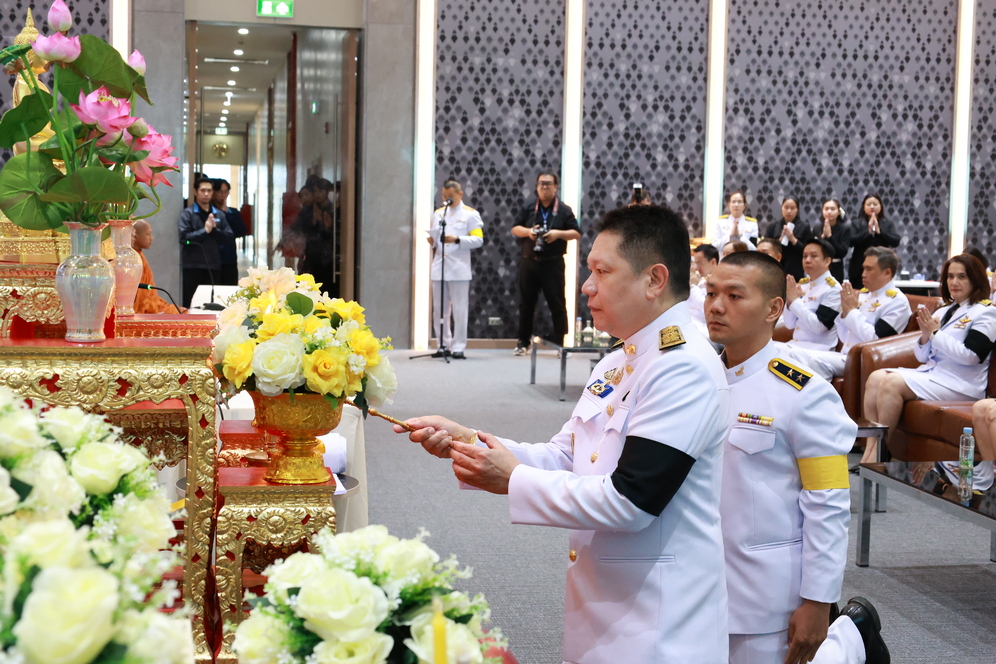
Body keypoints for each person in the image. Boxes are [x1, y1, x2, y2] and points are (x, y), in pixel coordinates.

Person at [398, 204, 732, 663]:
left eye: (601, 270)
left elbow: (632, 501)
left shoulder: (683, 367)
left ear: (654, 280)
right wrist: (470, 442)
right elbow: (566, 455)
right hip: (607, 600)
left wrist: (512, 479)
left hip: (659, 620)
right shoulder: (621, 358)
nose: (586, 285)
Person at [705, 251, 889, 664]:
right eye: (712, 292)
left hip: (767, 594)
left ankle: (852, 638)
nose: (716, 306)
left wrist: (819, 600)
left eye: (735, 296)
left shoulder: (803, 392)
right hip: (699, 582)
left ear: (774, 308)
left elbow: (827, 502)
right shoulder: (697, 379)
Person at [863, 254, 996, 467]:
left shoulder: (986, 312)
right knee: (876, 378)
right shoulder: (945, 310)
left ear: (975, 279)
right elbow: (922, 356)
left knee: (891, 383)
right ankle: (872, 449)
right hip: (936, 375)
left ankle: (877, 456)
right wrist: (925, 336)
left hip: (962, 383)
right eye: (950, 276)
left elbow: (971, 357)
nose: (954, 282)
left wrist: (935, 334)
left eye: (962, 276)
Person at [793, 247, 912, 381]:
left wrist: (852, 312)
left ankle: (821, 401)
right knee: (790, 355)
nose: (863, 274)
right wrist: (845, 313)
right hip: (847, 355)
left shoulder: (897, 301)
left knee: (817, 361)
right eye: (863, 268)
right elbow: (845, 338)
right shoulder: (864, 296)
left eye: (869, 269)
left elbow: (877, 340)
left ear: (887, 273)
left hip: (867, 360)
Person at [511, 170, 581, 355]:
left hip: (553, 263)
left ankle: (560, 343)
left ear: (556, 187)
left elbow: (576, 233)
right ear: (536, 186)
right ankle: (522, 343)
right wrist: (529, 232)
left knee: (557, 303)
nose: (544, 187)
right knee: (526, 304)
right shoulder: (528, 207)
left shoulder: (564, 210)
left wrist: (558, 234)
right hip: (529, 262)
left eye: (548, 184)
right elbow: (515, 229)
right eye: (541, 183)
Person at [427, 179, 484, 359]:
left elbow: (478, 240)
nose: (447, 200)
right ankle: (443, 344)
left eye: (450, 196)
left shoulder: (470, 214)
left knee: (459, 309)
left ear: (460, 194)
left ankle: (459, 346)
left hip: (459, 268)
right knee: (439, 309)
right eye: (444, 196)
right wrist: (432, 241)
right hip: (440, 266)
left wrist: (457, 239)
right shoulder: (438, 213)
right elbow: (436, 237)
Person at [179, 177, 234, 308]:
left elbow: (229, 238)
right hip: (192, 266)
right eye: (203, 190)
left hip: (213, 266)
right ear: (195, 192)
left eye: (209, 191)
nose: (206, 194)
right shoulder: (187, 214)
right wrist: (205, 231)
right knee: (191, 304)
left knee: (213, 305)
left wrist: (213, 230)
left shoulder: (219, 215)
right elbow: (184, 239)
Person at [784, 240, 842, 350]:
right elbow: (789, 324)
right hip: (797, 346)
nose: (807, 260)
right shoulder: (803, 285)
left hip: (819, 349)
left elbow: (819, 327)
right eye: (804, 256)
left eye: (813, 256)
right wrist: (790, 301)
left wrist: (795, 301)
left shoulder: (833, 290)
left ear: (827, 261)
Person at [132, 220, 184, 314]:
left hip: (152, 304)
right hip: (142, 309)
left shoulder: (140, 256)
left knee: (181, 312)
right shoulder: (132, 259)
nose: (152, 238)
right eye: (148, 234)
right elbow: (140, 298)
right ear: (135, 235)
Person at [848, 195, 900, 289]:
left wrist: (880, 232)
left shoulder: (887, 223)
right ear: (864, 206)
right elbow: (850, 241)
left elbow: (895, 241)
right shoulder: (856, 223)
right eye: (869, 204)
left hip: (881, 266)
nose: (872, 207)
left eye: (875, 204)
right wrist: (868, 231)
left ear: (880, 206)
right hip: (859, 268)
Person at [764, 197, 812, 280]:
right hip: (776, 267)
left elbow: (808, 250)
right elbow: (766, 247)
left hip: (796, 268)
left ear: (797, 210)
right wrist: (780, 239)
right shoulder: (773, 226)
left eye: (792, 208)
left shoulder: (804, 226)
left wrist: (792, 239)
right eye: (786, 207)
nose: (789, 211)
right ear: (782, 208)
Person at [212, 178, 248, 285]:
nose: (223, 195)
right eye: (219, 192)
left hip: (229, 257)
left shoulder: (233, 212)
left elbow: (241, 230)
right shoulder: (209, 212)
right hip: (214, 257)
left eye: (226, 191)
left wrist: (226, 212)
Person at [816, 199, 851, 283]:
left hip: (836, 268)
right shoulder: (817, 228)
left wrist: (830, 236)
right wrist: (823, 238)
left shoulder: (844, 229)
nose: (829, 212)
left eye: (832, 209)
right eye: (826, 209)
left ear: (838, 212)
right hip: (818, 267)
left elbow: (842, 252)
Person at [689, 243, 720, 333]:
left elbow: (708, 308)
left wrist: (692, 287)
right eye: (695, 263)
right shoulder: (698, 279)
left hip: (705, 329)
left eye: (700, 263)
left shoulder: (721, 283)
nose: (696, 267)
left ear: (713, 262)